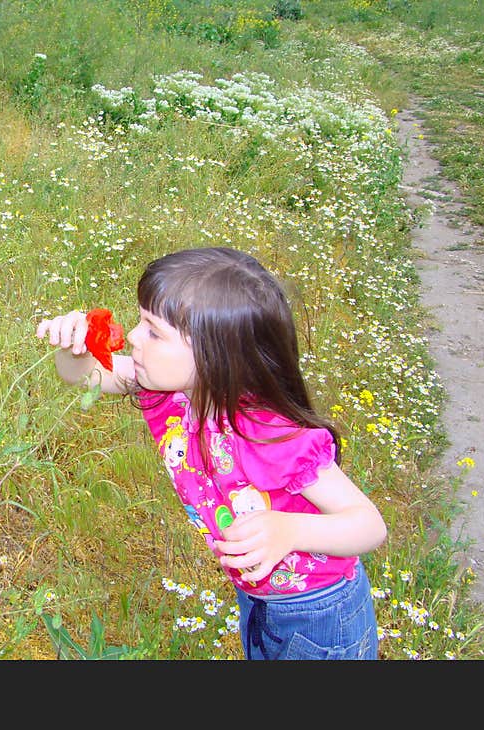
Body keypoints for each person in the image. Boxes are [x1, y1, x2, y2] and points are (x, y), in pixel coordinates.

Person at [35, 246, 388, 660]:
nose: (132, 336)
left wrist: (290, 531)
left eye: (153, 330)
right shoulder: (172, 393)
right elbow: (82, 376)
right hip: (258, 598)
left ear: (213, 354)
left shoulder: (266, 431)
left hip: (320, 616)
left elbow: (369, 525)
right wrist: (73, 349)